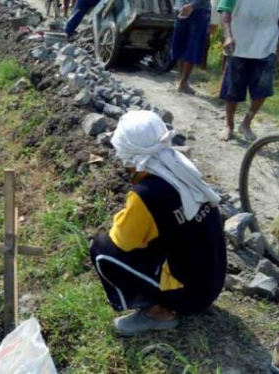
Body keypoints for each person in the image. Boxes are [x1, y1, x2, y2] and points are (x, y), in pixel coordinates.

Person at [90, 111, 227, 336]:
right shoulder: (180, 166)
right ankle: (169, 293)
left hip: (191, 297)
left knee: (102, 249)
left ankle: (157, 313)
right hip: (212, 282)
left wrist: (125, 215)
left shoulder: (146, 194)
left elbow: (121, 241)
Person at [217, 0, 279, 142]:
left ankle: (246, 123)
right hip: (238, 45)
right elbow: (225, 10)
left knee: (262, 90)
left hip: (267, 45)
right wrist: (228, 36)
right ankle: (229, 125)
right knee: (233, 89)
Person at [171, 0, 212, 94]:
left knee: (192, 46)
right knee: (182, 44)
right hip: (182, 8)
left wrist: (192, 5)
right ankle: (182, 80)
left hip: (198, 9)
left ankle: (183, 81)